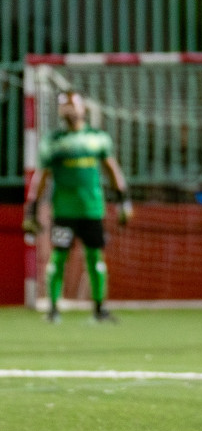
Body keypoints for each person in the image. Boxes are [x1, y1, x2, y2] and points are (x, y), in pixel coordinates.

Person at [23, 91, 131, 323]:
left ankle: (99, 310)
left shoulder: (97, 138)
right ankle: (53, 309)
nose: (69, 109)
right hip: (64, 213)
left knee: (95, 258)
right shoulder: (54, 142)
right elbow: (42, 176)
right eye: (64, 105)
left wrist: (123, 200)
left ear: (84, 108)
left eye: (73, 104)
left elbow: (112, 169)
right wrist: (31, 208)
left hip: (92, 211)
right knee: (59, 258)